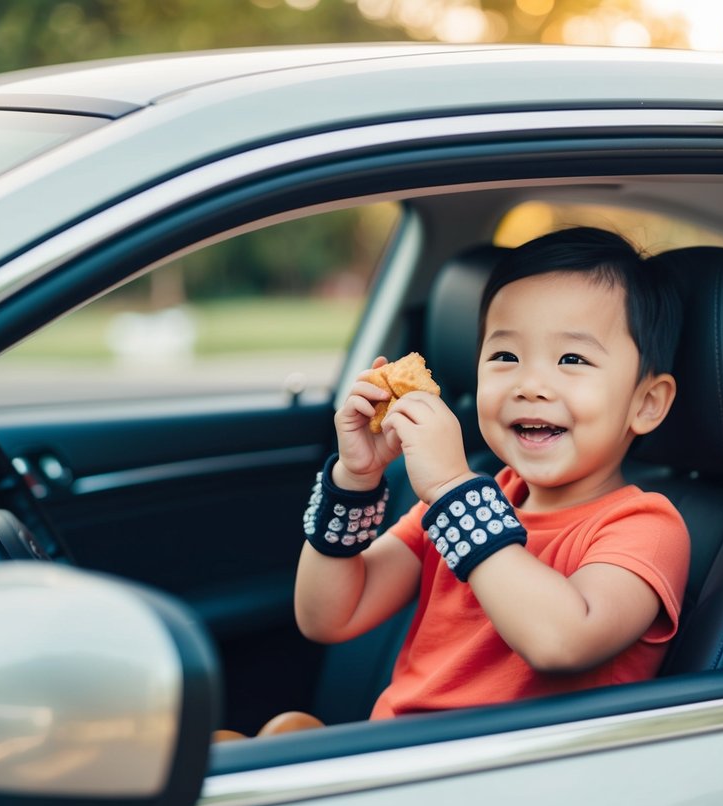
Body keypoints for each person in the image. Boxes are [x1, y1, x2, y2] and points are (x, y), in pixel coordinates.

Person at [294, 226, 691, 727]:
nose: (530, 385)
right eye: (505, 356)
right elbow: (328, 616)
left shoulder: (646, 528)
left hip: (503, 784)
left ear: (647, 402)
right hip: (395, 753)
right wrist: (356, 477)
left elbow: (562, 640)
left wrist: (451, 491)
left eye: (572, 359)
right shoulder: (479, 496)